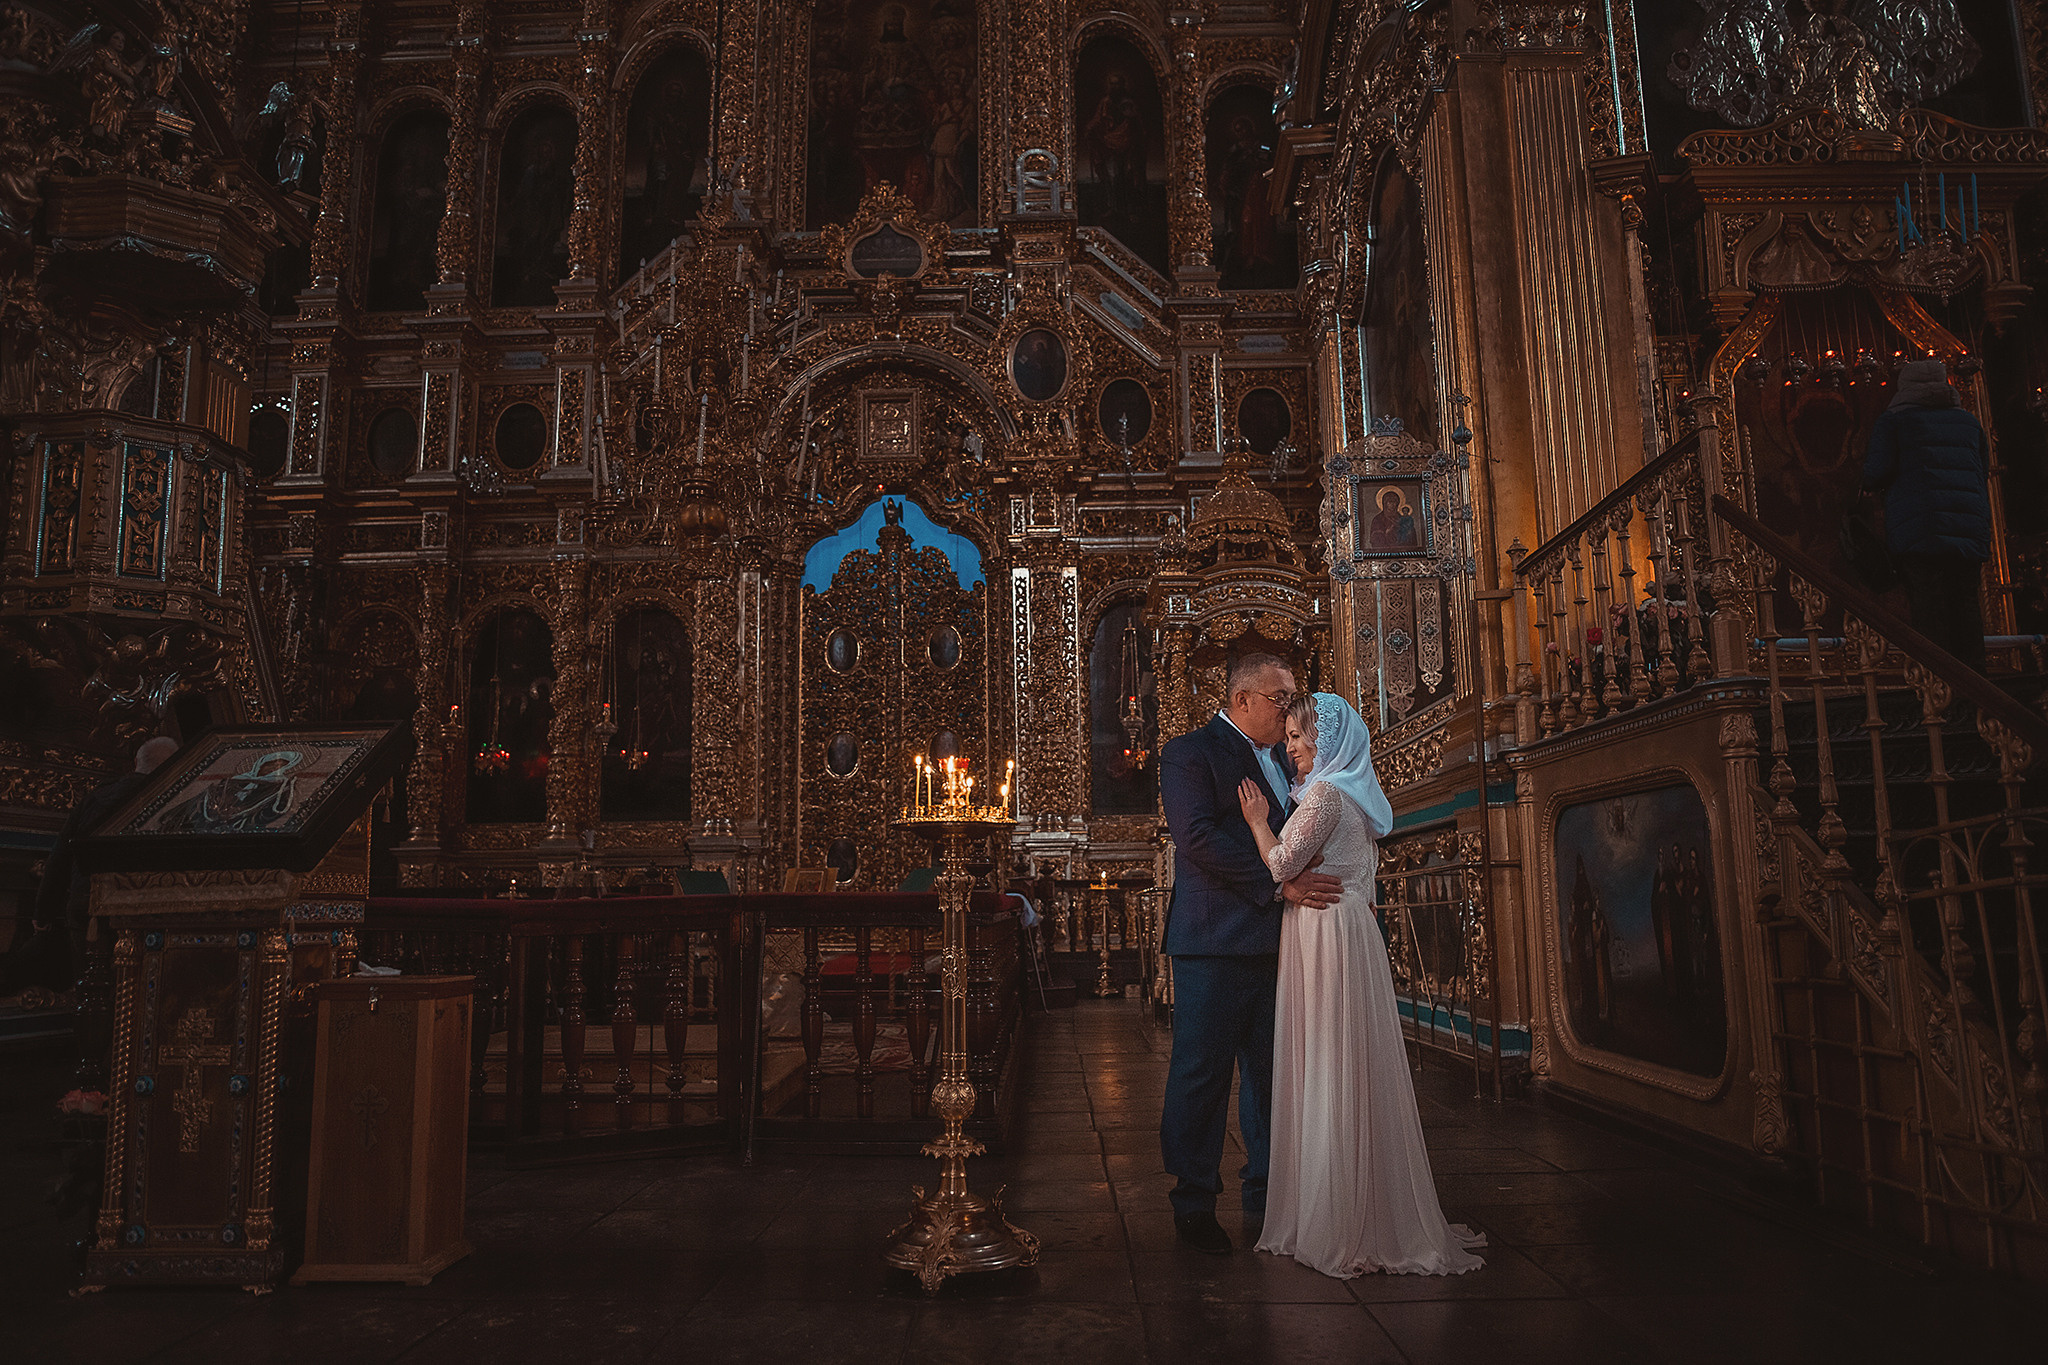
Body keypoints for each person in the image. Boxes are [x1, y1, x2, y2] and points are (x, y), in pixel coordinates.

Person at [1236, 692, 1485, 1278]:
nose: (1291, 746)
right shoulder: (1353, 796)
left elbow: (1281, 865)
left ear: (1329, 740)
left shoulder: (1324, 794)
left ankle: (1336, 1216)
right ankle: (1361, 1203)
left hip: (1325, 934)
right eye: (1291, 736)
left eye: (1300, 736)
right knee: (1349, 1061)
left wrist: (1256, 824)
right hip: (1348, 929)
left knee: (1327, 1059)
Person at [1157, 653, 1342, 1255]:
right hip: (1214, 943)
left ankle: (1267, 1195)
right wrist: (1277, 883)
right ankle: (1193, 1201)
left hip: (1280, 943)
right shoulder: (1190, 753)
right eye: (1279, 697)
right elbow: (1197, 838)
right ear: (1241, 700)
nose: (1289, 708)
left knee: (1272, 1073)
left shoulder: (1292, 761)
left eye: (1291, 698)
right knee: (1201, 1074)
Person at [9, 737, 179, 993]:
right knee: (139, 993)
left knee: (92, 993)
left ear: (135, 763)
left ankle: (91, 1032)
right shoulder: (172, 801)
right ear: (177, 766)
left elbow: (60, 858)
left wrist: (42, 915)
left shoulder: (96, 797)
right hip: (144, 911)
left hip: (87, 907)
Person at [1862, 357, 1992, 671]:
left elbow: (1875, 473)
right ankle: (1977, 684)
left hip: (1921, 528)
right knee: (1965, 603)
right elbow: (1982, 469)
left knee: (1929, 605)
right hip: (1968, 526)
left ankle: (1941, 686)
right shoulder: (1968, 422)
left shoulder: (1894, 420)